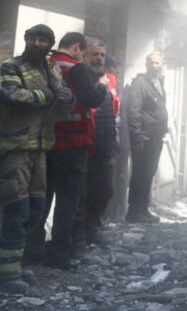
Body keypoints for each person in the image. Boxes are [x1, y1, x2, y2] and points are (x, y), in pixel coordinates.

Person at [0, 24, 74, 294]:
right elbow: (12, 96)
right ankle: (6, 276)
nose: (37, 43)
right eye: (33, 38)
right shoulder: (11, 67)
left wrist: (67, 98)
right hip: (15, 150)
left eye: (43, 40)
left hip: (40, 149)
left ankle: (14, 265)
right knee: (15, 212)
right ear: (26, 40)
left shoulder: (52, 69)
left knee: (34, 212)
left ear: (50, 44)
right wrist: (50, 95)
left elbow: (61, 105)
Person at [26, 32, 107, 270]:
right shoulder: (75, 68)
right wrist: (101, 88)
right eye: (84, 52)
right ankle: (58, 253)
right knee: (67, 200)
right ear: (77, 47)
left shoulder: (44, 64)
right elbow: (91, 100)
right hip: (72, 144)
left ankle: (32, 250)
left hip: (45, 144)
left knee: (41, 197)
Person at [73, 43, 119, 250]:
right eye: (94, 54)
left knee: (104, 191)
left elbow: (112, 111)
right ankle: (78, 237)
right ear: (84, 56)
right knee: (82, 195)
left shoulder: (108, 81)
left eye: (102, 55)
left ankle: (92, 230)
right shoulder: (80, 79)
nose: (99, 58)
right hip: (86, 147)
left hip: (105, 147)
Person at [124, 52, 168, 223]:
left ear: (162, 64)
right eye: (150, 63)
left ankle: (143, 209)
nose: (153, 66)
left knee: (149, 173)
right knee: (140, 174)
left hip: (156, 137)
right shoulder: (140, 83)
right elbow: (133, 111)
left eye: (156, 63)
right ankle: (134, 212)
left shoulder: (158, 82)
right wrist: (137, 136)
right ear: (146, 64)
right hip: (145, 137)